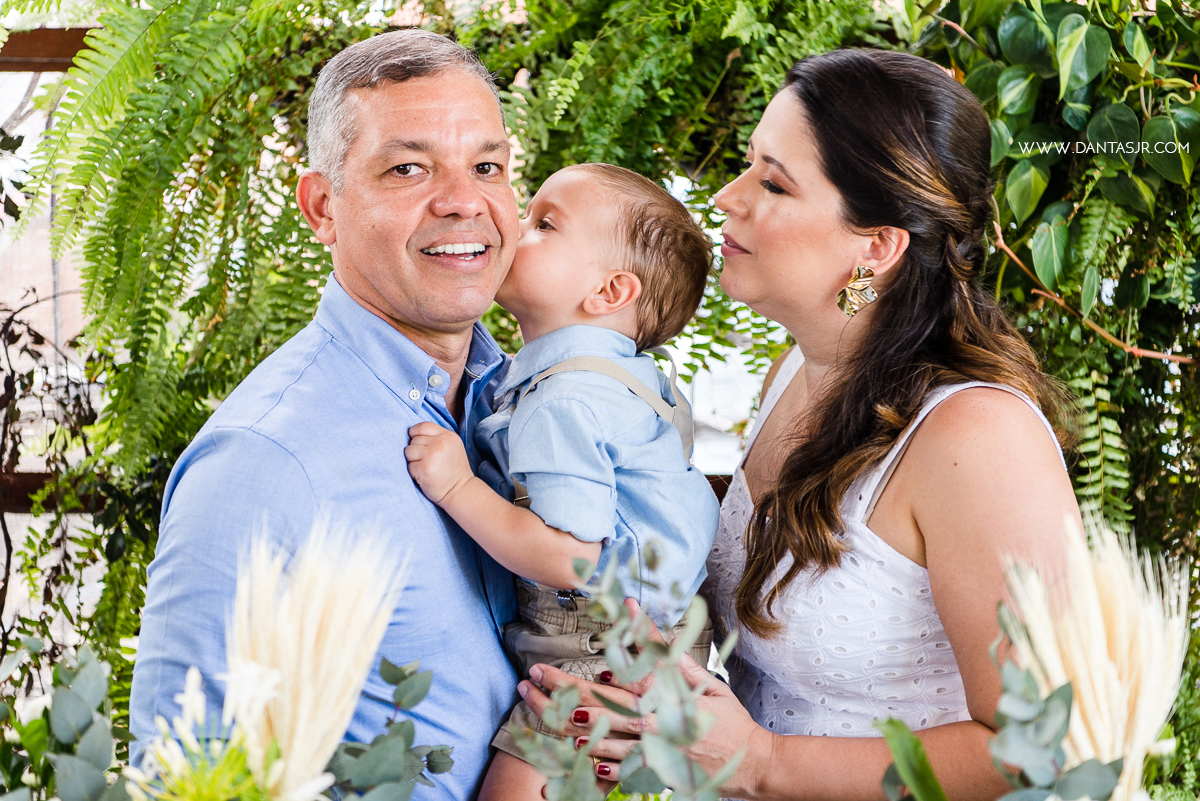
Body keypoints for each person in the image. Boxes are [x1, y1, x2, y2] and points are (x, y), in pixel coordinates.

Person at [517, 49, 1083, 800]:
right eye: (748, 164)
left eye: (773, 182)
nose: (726, 196)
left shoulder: (979, 438)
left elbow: (1047, 746)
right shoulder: (795, 370)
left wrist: (764, 762)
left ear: (874, 247)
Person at [128, 30, 523, 799]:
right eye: (408, 169)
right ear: (321, 207)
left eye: (487, 166)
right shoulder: (265, 463)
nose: (464, 200)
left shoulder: (519, 406)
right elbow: (187, 780)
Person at [404, 163, 720, 800]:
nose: (515, 229)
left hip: (598, 652)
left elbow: (572, 557)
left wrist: (457, 487)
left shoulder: (563, 402)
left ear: (608, 292)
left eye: (545, 224)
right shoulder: (618, 379)